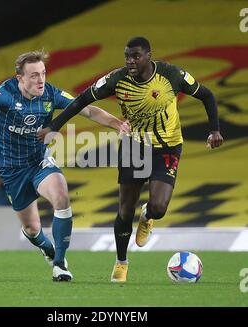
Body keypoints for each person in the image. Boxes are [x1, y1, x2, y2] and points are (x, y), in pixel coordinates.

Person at [38, 37, 224, 282]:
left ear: (148, 56)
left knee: (158, 208)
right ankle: (121, 262)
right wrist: (53, 127)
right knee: (125, 210)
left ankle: (148, 216)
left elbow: (207, 95)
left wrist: (214, 130)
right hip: (135, 146)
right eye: (127, 56)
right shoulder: (117, 79)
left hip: (167, 145)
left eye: (136, 56)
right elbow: (82, 100)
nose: (130, 61)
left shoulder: (172, 75)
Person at [0, 50, 129, 282]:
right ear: (20, 78)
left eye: (43, 73)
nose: (40, 80)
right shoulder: (5, 93)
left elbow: (88, 110)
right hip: (11, 169)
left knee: (61, 196)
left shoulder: (50, 94)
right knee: (32, 229)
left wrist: (116, 123)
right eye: (33, 76)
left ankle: (59, 264)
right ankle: (47, 248)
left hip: (39, 160)